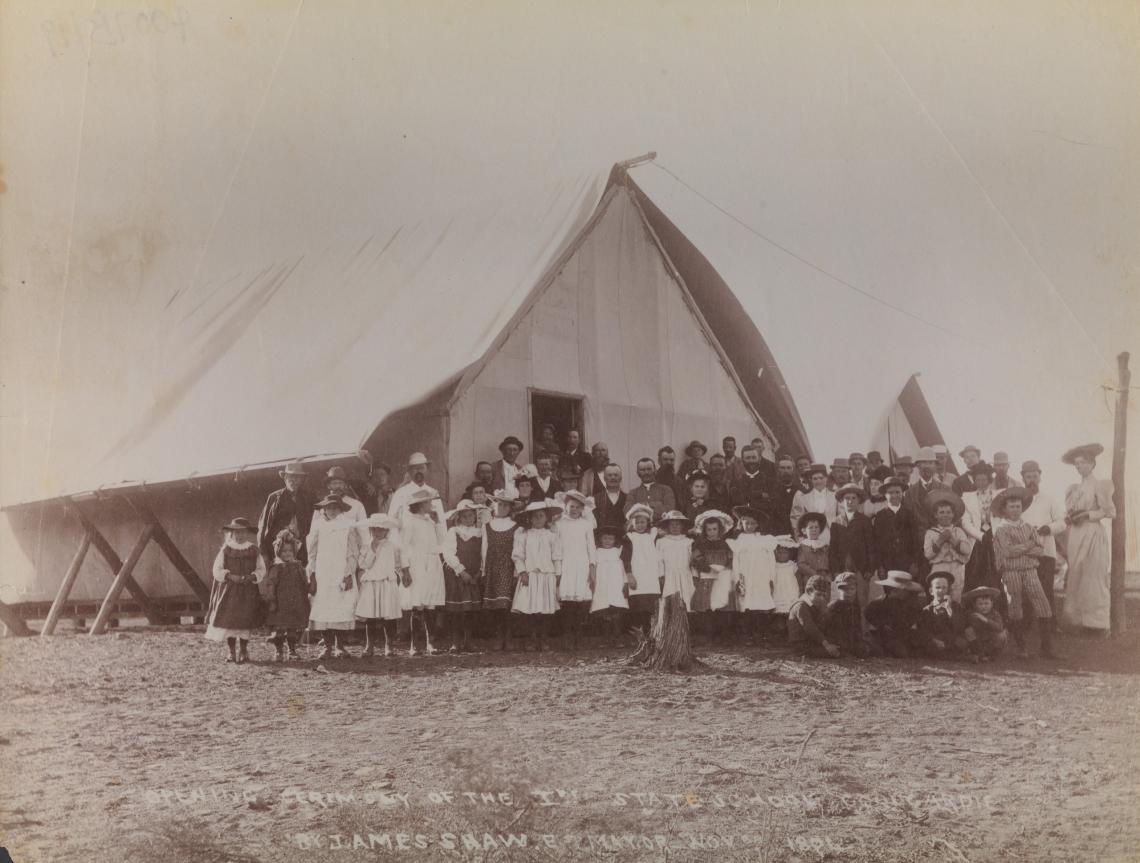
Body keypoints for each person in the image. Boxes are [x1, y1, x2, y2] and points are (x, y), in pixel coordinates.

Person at [992, 487, 1057, 659]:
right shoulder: (1001, 529)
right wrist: (1027, 546)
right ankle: (1021, 648)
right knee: (1015, 606)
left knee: (1042, 603)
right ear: (1005, 509)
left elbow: (1039, 549)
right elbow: (1007, 551)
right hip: (1011, 571)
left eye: (1018, 506)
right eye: (1012, 506)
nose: (1015, 509)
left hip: (1030, 570)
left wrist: (1023, 548)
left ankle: (1046, 648)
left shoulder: (1028, 527)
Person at [1060, 443, 1115, 633]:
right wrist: (1071, 516)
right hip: (1076, 533)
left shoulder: (1100, 484)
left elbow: (1109, 511)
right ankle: (1077, 622)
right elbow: (1071, 511)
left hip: (1092, 533)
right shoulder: (1075, 488)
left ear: (1092, 464)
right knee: (1076, 573)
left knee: (1093, 574)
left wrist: (1088, 515)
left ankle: (1097, 623)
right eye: (1076, 464)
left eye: (1083, 463)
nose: (1079, 467)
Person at [205, 517, 267, 664]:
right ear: (231, 533)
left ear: (248, 533)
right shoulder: (226, 549)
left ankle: (244, 651)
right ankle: (232, 652)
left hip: (248, 591)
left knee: (245, 621)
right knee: (230, 622)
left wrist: (252, 577)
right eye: (236, 533)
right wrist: (229, 576)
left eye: (243, 532)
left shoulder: (253, 549)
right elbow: (217, 569)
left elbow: (261, 569)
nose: (240, 536)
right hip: (230, 591)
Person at [307, 495, 361, 660]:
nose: (332, 511)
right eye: (328, 508)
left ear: (341, 509)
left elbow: (353, 551)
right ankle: (327, 646)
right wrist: (313, 574)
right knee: (324, 608)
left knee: (341, 608)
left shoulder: (348, 525)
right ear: (324, 509)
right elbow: (312, 552)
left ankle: (340, 646)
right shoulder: (318, 526)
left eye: (335, 507)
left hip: (340, 572)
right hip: (323, 573)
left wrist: (348, 573)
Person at [1019, 460, 1067, 629]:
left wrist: (1049, 528)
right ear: (1023, 478)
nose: (1032, 480)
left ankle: (1050, 624)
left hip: (1046, 551)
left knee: (1046, 588)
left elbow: (1062, 522)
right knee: (1025, 588)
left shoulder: (1049, 499)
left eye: (1035, 476)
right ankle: (1026, 624)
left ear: (1040, 477)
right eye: (1028, 476)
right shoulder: (1018, 500)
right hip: (1025, 552)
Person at [511, 500, 564, 651]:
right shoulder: (524, 535)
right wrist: (522, 572)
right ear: (530, 519)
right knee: (530, 609)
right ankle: (532, 639)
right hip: (530, 576)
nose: (538, 519)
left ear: (546, 518)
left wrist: (558, 574)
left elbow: (557, 556)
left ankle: (544, 639)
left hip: (547, 576)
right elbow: (517, 556)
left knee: (545, 609)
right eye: (535, 517)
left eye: (541, 516)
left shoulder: (552, 536)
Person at [400, 488, 447, 655]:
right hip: (417, 565)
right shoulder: (410, 522)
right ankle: (414, 645)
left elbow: (442, 542)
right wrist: (405, 570)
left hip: (432, 564)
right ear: (420, 505)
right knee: (417, 604)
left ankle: (430, 643)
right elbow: (403, 547)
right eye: (428, 502)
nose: (431, 505)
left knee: (430, 605)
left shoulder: (431, 521)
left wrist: (439, 522)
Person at [354, 513, 407, 657]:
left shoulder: (393, 546)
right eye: (375, 529)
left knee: (388, 616)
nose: (378, 533)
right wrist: (372, 549)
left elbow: (398, 565)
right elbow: (363, 564)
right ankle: (369, 645)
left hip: (387, 583)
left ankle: (389, 645)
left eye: (382, 530)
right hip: (371, 583)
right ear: (371, 530)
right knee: (370, 616)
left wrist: (401, 576)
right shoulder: (366, 546)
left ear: (387, 531)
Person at [441, 500, 486, 653]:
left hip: (474, 576)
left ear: (475, 516)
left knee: (470, 611)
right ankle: (455, 642)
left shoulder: (480, 532)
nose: (468, 519)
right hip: (458, 576)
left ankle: (468, 641)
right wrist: (461, 571)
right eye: (465, 516)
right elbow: (448, 553)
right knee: (456, 611)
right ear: (459, 517)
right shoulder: (454, 531)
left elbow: (483, 554)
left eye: (471, 516)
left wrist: (480, 571)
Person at [902, 447, 950, 585]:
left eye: (931, 463)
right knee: (920, 588)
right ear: (917, 466)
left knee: (941, 587)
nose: (927, 466)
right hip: (918, 550)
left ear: (935, 465)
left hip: (941, 549)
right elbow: (907, 526)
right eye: (923, 463)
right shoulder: (909, 493)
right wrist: (912, 558)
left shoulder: (945, 490)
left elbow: (952, 520)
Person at [729, 507, 778, 643]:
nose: (749, 526)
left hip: (761, 576)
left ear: (757, 525)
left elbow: (771, 561)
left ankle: (762, 634)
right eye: (747, 523)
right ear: (741, 523)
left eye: (752, 523)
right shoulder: (739, 541)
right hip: (746, 576)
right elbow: (736, 562)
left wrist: (771, 578)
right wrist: (738, 579)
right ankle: (748, 635)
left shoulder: (765, 540)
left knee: (762, 604)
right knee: (747, 605)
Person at [556, 490, 597, 650]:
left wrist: (592, 567)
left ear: (582, 509)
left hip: (582, 564)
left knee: (582, 602)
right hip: (566, 564)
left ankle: (579, 637)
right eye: (571, 506)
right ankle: (567, 636)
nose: (574, 510)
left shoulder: (586, 525)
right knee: (568, 603)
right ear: (566, 507)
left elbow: (591, 547)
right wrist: (558, 570)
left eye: (578, 507)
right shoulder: (559, 524)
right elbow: (557, 548)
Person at [262, 529, 311, 661]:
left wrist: (309, 588)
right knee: (280, 629)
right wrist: (272, 600)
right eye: (284, 551)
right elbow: (271, 584)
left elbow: (303, 581)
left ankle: (292, 650)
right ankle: (278, 651)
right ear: (279, 552)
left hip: (296, 603)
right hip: (280, 604)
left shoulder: (298, 566)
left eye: (290, 551)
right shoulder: (277, 567)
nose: (287, 554)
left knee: (292, 629)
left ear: (294, 552)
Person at [481, 494, 521, 650]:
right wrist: (483, 570)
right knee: (496, 605)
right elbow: (484, 550)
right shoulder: (487, 526)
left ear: (510, 508)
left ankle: (508, 636)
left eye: (506, 505)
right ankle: (499, 636)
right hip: (492, 566)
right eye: (499, 504)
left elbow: (517, 550)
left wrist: (516, 572)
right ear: (493, 506)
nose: (502, 508)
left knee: (507, 604)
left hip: (508, 566)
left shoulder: (516, 526)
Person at [257, 461, 315, 566]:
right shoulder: (275, 498)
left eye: (297, 478)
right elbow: (264, 525)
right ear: (285, 478)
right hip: (279, 550)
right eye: (291, 477)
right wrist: (263, 552)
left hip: (303, 550)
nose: (294, 481)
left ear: (302, 480)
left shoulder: (308, 498)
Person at [689, 510, 735, 641]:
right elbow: (695, 559)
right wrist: (708, 568)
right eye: (709, 530)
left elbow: (730, 558)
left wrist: (725, 569)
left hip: (722, 578)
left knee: (722, 606)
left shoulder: (725, 544)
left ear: (720, 530)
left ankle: (723, 636)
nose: (712, 532)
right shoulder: (700, 544)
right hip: (707, 578)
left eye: (715, 529)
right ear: (705, 531)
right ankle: (709, 635)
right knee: (708, 607)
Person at [829, 484, 875, 608]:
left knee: (861, 601)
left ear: (859, 501)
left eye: (853, 498)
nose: (850, 501)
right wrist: (835, 570)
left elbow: (871, 547)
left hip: (860, 567)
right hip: (842, 567)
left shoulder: (864, 521)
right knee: (843, 601)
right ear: (842, 502)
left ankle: (862, 627)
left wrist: (870, 569)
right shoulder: (836, 522)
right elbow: (832, 549)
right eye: (847, 498)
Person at [863, 570, 926, 658]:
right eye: (903, 590)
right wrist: (881, 625)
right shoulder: (879, 602)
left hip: (901, 635)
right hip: (882, 634)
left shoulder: (908, 603)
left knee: (908, 652)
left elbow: (915, 615)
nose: (906, 593)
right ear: (893, 589)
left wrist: (907, 626)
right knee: (882, 651)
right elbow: (868, 613)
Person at [622, 504, 662, 639]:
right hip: (637, 576)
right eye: (637, 522)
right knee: (638, 608)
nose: (640, 525)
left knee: (651, 608)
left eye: (642, 522)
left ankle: (651, 635)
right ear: (632, 523)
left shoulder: (652, 535)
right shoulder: (629, 537)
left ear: (648, 522)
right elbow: (626, 559)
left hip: (651, 576)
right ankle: (638, 637)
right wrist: (629, 575)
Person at [923, 491, 971, 601]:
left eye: (948, 512)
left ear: (953, 514)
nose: (945, 515)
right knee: (940, 595)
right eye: (941, 512)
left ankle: (955, 616)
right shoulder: (931, 532)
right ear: (936, 515)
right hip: (939, 566)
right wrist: (940, 540)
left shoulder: (958, 531)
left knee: (955, 595)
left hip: (956, 566)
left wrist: (952, 540)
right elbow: (928, 554)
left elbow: (966, 550)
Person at [961, 462, 998, 594]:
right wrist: (980, 535)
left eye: (984, 479)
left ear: (989, 479)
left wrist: (994, 534)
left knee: (996, 572)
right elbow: (965, 522)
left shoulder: (998, 494)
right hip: (976, 539)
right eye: (978, 479)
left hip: (995, 537)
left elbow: (1002, 518)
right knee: (974, 572)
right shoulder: (967, 497)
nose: (981, 482)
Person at [590, 524, 629, 646]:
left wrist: (625, 583)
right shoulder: (596, 552)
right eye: (605, 538)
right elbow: (593, 568)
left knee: (616, 612)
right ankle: (605, 639)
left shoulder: (618, 552)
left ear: (614, 540)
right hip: (602, 585)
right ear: (600, 539)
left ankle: (617, 638)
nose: (608, 541)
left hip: (616, 584)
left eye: (610, 539)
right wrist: (593, 582)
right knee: (603, 612)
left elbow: (623, 569)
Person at [871, 476, 915, 579]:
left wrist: (914, 563)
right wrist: (880, 565)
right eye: (890, 493)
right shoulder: (880, 516)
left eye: (897, 492)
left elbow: (915, 541)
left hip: (906, 563)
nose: (894, 495)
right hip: (888, 564)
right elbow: (877, 543)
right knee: (891, 593)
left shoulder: (909, 514)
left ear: (902, 493)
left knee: (906, 591)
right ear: (885, 495)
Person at [787, 575, 841, 657]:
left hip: (812, 641)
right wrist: (827, 645)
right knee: (834, 652)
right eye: (818, 595)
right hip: (801, 644)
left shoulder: (815, 604)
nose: (821, 598)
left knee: (840, 646)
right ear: (809, 591)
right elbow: (810, 628)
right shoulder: (801, 605)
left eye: (823, 595)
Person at [918, 572, 968, 658]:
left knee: (962, 643)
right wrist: (935, 640)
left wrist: (949, 609)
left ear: (948, 590)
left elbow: (960, 627)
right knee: (927, 646)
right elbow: (924, 630)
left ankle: (955, 655)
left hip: (952, 640)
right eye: (938, 588)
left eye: (944, 588)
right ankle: (959, 656)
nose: (941, 591)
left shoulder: (955, 606)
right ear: (931, 591)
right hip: (937, 641)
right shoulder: (927, 609)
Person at [730, 445, 778, 533]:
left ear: (759, 458)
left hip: (765, 528)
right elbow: (737, 502)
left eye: (754, 457)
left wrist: (748, 497)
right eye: (748, 458)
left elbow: (772, 504)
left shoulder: (769, 481)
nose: (751, 461)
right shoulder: (736, 482)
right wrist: (760, 495)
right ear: (743, 459)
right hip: (744, 528)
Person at [388, 452, 447, 522]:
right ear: (409, 471)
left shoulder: (433, 493)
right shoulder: (400, 494)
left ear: (427, 470)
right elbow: (391, 521)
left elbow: (441, 521)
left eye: (421, 468)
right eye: (414, 468)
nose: (418, 471)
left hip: (429, 532)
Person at [656, 511, 696, 613]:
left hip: (685, 575)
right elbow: (659, 560)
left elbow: (692, 560)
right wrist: (661, 575)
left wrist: (694, 574)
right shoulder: (661, 542)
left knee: (687, 600)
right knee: (670, 604)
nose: (674, 527)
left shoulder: (688, 541)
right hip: (669, 576)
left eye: (677, 524)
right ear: (667, 526)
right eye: (672, 524)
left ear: (682, 526)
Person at [789, 464, 837, 537]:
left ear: (826, 478)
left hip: (832, 536)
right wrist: (800, 538)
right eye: (815, 479)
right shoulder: (802, 496)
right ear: (811, 480)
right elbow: (796, 519)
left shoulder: (835, 495)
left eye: (821, 478)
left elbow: (841, 517)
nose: (818, 481)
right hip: (811, 538)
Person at [961, 586, 1007, 661]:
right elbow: (965, 627)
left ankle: (991, 656)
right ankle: (977, 653)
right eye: (980, 604)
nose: (984, 606)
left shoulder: (995, 614)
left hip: (991, 640)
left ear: (991, 604)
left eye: (986, 604)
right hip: (977, 641)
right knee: (968, 631)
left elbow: (999, 627)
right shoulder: (971, 614)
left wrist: (986, 620)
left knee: (1002, 635)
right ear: (975, 605)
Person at [824, 571, 864, 656]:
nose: (848, 592)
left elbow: (857, 627)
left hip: (851, 640)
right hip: (837, 640)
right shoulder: (834, 606)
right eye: (844, 589)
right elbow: (832, 630)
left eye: (852, 589)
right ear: (838, 590)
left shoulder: (856, 606)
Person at [795, 512, 831, 590]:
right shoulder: (803, 546)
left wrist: (828, 574)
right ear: (804, 531)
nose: (814, 530)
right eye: (811, 528)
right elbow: (801, 564)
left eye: (816, 527)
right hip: (809, 577)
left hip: (824, 577)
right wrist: (814, 573)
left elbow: (829, 561)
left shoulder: (824, 546)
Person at [592, 463, 628, 530]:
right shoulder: (594, 499)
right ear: (604, 478)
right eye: (610, 475)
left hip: (624, 538)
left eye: (616, 475)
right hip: (602, 539)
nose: (613, 477)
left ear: (620, 478)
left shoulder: (628, 498)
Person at [772, 537, 802, 615]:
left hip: (790, 589)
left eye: (785, 553)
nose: (782, 555)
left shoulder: (792, 565)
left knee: (791, 608)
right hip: (778, 590)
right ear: (775, 553)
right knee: (778, 610)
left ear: (789, 553)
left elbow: (798, 578)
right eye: (780, 553)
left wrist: (800, 590)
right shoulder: (774, 565)